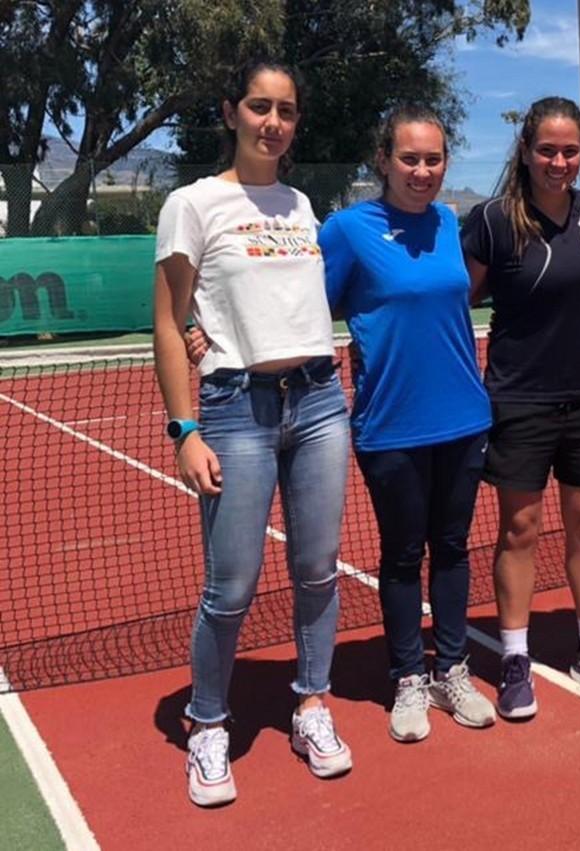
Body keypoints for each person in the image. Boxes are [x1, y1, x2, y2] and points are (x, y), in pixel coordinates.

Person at [153, 58, 352, 807]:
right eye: (260, 107)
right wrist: (185, 429)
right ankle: (207, 721)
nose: (274, 122)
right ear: (232, 111)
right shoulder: (194, 203)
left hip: (321, 401)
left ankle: (311, 704)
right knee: (230, 586)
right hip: (237, 412)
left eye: (287, 110)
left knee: (318, 569)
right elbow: (170, 324)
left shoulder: (302, 203)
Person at [317, 105, 496, 743]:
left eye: (434, 158)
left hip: (464, 419)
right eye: (410, 158)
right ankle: (407, 679)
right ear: (383, 161)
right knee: (402, 554)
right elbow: (305, 305)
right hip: (390, 425)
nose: (423, 171)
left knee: (451, 549)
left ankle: (452, 669)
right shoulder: (346, 229)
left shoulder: (454, 223)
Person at [462, 97, 580, 720]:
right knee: (520, 530)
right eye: (547, 150)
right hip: (518, 398)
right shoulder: (494, 219)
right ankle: (513, 658)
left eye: (570, 151)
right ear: (526, 152)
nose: (559, 162)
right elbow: (457, 295)